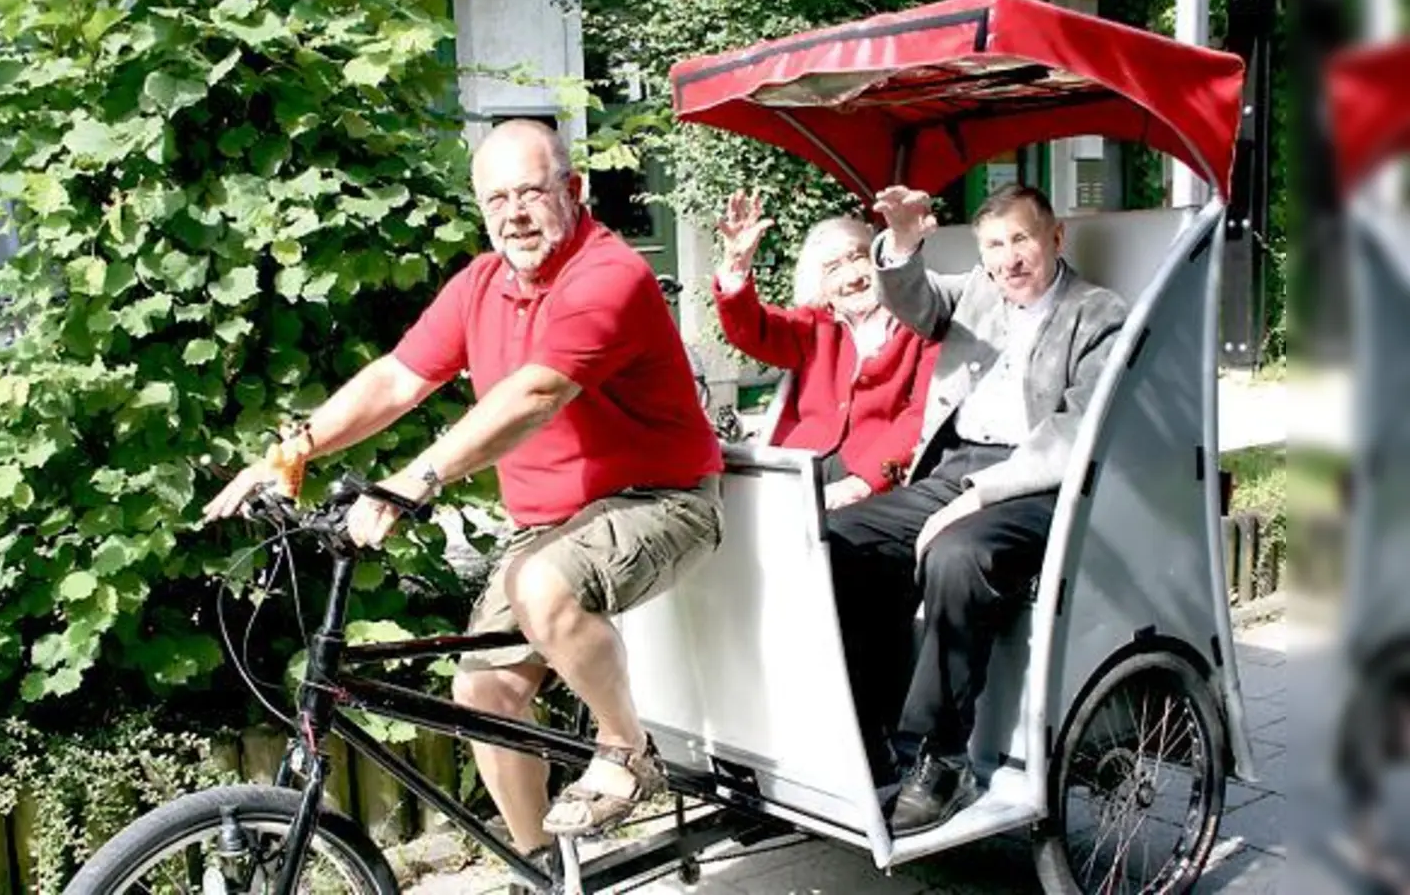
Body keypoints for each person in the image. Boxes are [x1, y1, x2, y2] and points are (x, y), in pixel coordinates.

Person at [203, 120, 725, 867]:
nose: (514, 213)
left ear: (573, 192)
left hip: (664, 500)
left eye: (531, 193)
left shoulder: (609, 275)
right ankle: (536, 865)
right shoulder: (480, 285)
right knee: (484, 696)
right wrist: (291, 452)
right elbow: (399, 378)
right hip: (552, 522)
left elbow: (536, 394)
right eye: (496, 199)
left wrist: (415, 481)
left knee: (543, 586)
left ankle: (626, 751)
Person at [827, 182, 1128, 836]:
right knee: (837, 542)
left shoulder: (1097, 312)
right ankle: (871, 739)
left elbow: (1074, 434)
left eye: (1021, 238)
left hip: (1038, 486)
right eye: (994, 245)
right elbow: (914, 300)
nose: (1008, 258)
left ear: (1055, 238)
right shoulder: (980, 293)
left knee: (959, 552)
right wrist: (903, 241)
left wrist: (976, 499)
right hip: (956, 468)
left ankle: (941, 757)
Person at [711, 190, 938, 509]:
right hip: (803, 464)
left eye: (859, 257)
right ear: (820, 285)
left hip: (877, 478)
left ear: (879, 262)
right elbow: (753, 331)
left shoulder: (922, 321)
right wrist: (737, 264)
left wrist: (862, 482)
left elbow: (923, 415)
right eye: (833, 268)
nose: (853, 278)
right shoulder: (814, 326)